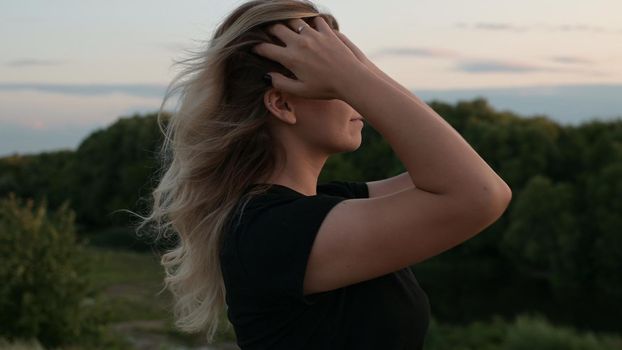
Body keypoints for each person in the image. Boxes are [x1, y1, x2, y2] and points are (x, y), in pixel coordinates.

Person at [138, 0, 512, 349]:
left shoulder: (323, 207)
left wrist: (360, 69)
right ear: (283, 103)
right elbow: (479, 194)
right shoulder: (270, 232)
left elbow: (464, 173)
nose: (356, 96)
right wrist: (354, 77)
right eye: (335, 82)